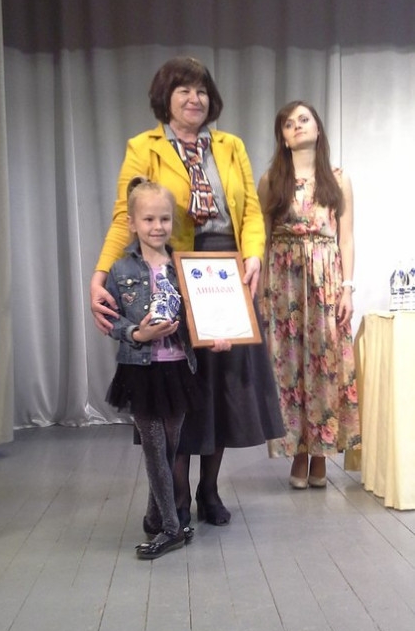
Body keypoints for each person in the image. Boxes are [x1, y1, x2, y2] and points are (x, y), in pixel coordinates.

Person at [92, 56, 284, 526]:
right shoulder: (144, 147)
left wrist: (254, 255)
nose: (194, 98)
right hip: (171, 272)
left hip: (225, 274)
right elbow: (123, 216)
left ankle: (209, 491)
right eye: (183, 90)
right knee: (178, 387)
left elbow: (251, 212)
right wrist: (100, 274)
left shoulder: (231, 146)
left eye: (201, 90)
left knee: (220, 389)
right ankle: (176, 496)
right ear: (166, 97)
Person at [257, 100, 360, 489]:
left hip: (325, 282)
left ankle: (320, 455)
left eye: (304, 119)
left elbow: (346, 238)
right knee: (289, 368)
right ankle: (298, 452)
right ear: (283, 138)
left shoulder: (338, 179)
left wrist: (347, 288)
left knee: (324, 365)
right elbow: (262, 239)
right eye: (288, 123)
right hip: (283, 283)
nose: (297, 126)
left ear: (318, 129)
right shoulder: (271, 181)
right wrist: (260, 292)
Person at [105, 178, 204, 559]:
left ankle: (154, 516)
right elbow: (111, 320)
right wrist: (137, 333)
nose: (157, 226)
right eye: (148, 219)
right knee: (154, 448)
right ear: (132, 223)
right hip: (141, 372)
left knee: (170, 448)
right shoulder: (119, 269)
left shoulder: (183, 267)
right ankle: (171, 528)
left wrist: (217, 333)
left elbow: (199, 316)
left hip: (178, 369)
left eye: (164, 218)